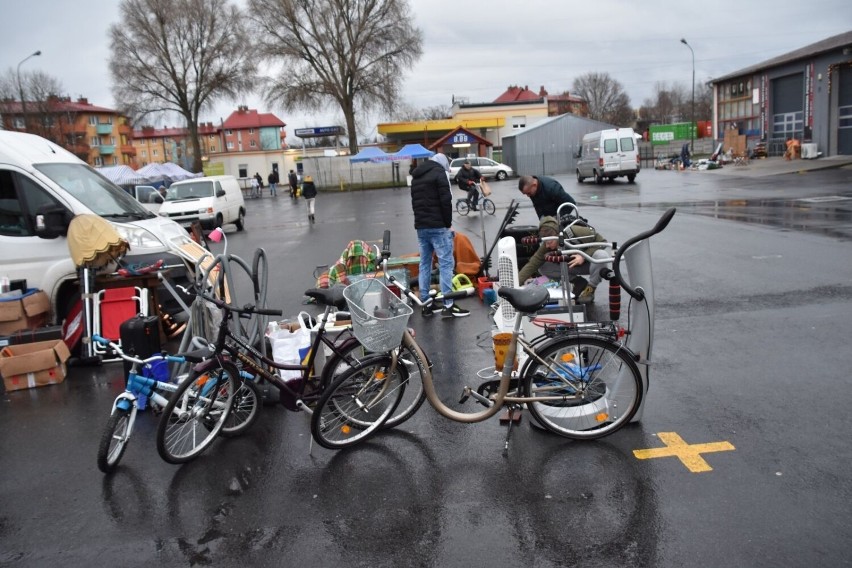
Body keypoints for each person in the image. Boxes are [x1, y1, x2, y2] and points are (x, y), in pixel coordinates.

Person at [410, 153, 469, 318]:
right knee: (445, 264)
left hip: (421, 227)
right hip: (438, 227)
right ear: (443, 164)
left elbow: (416, 203)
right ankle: (448, 305)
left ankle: (427, 304)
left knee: (425, 263)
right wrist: (448, 223)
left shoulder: (416, 176)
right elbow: (446, 200)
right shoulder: (439, 173)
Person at [517, 215, 610, 305]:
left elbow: (603, 242)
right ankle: (578, 282)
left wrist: (584, 256)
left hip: (590, 265)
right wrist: (515, 284)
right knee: (542, 266)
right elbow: (533, 263)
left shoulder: (576, 231)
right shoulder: (548, 244)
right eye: (545, 243)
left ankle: (590, 289)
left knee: (602, 255)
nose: (547, 246)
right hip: (571, 265)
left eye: (549, 242)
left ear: (557, 235)